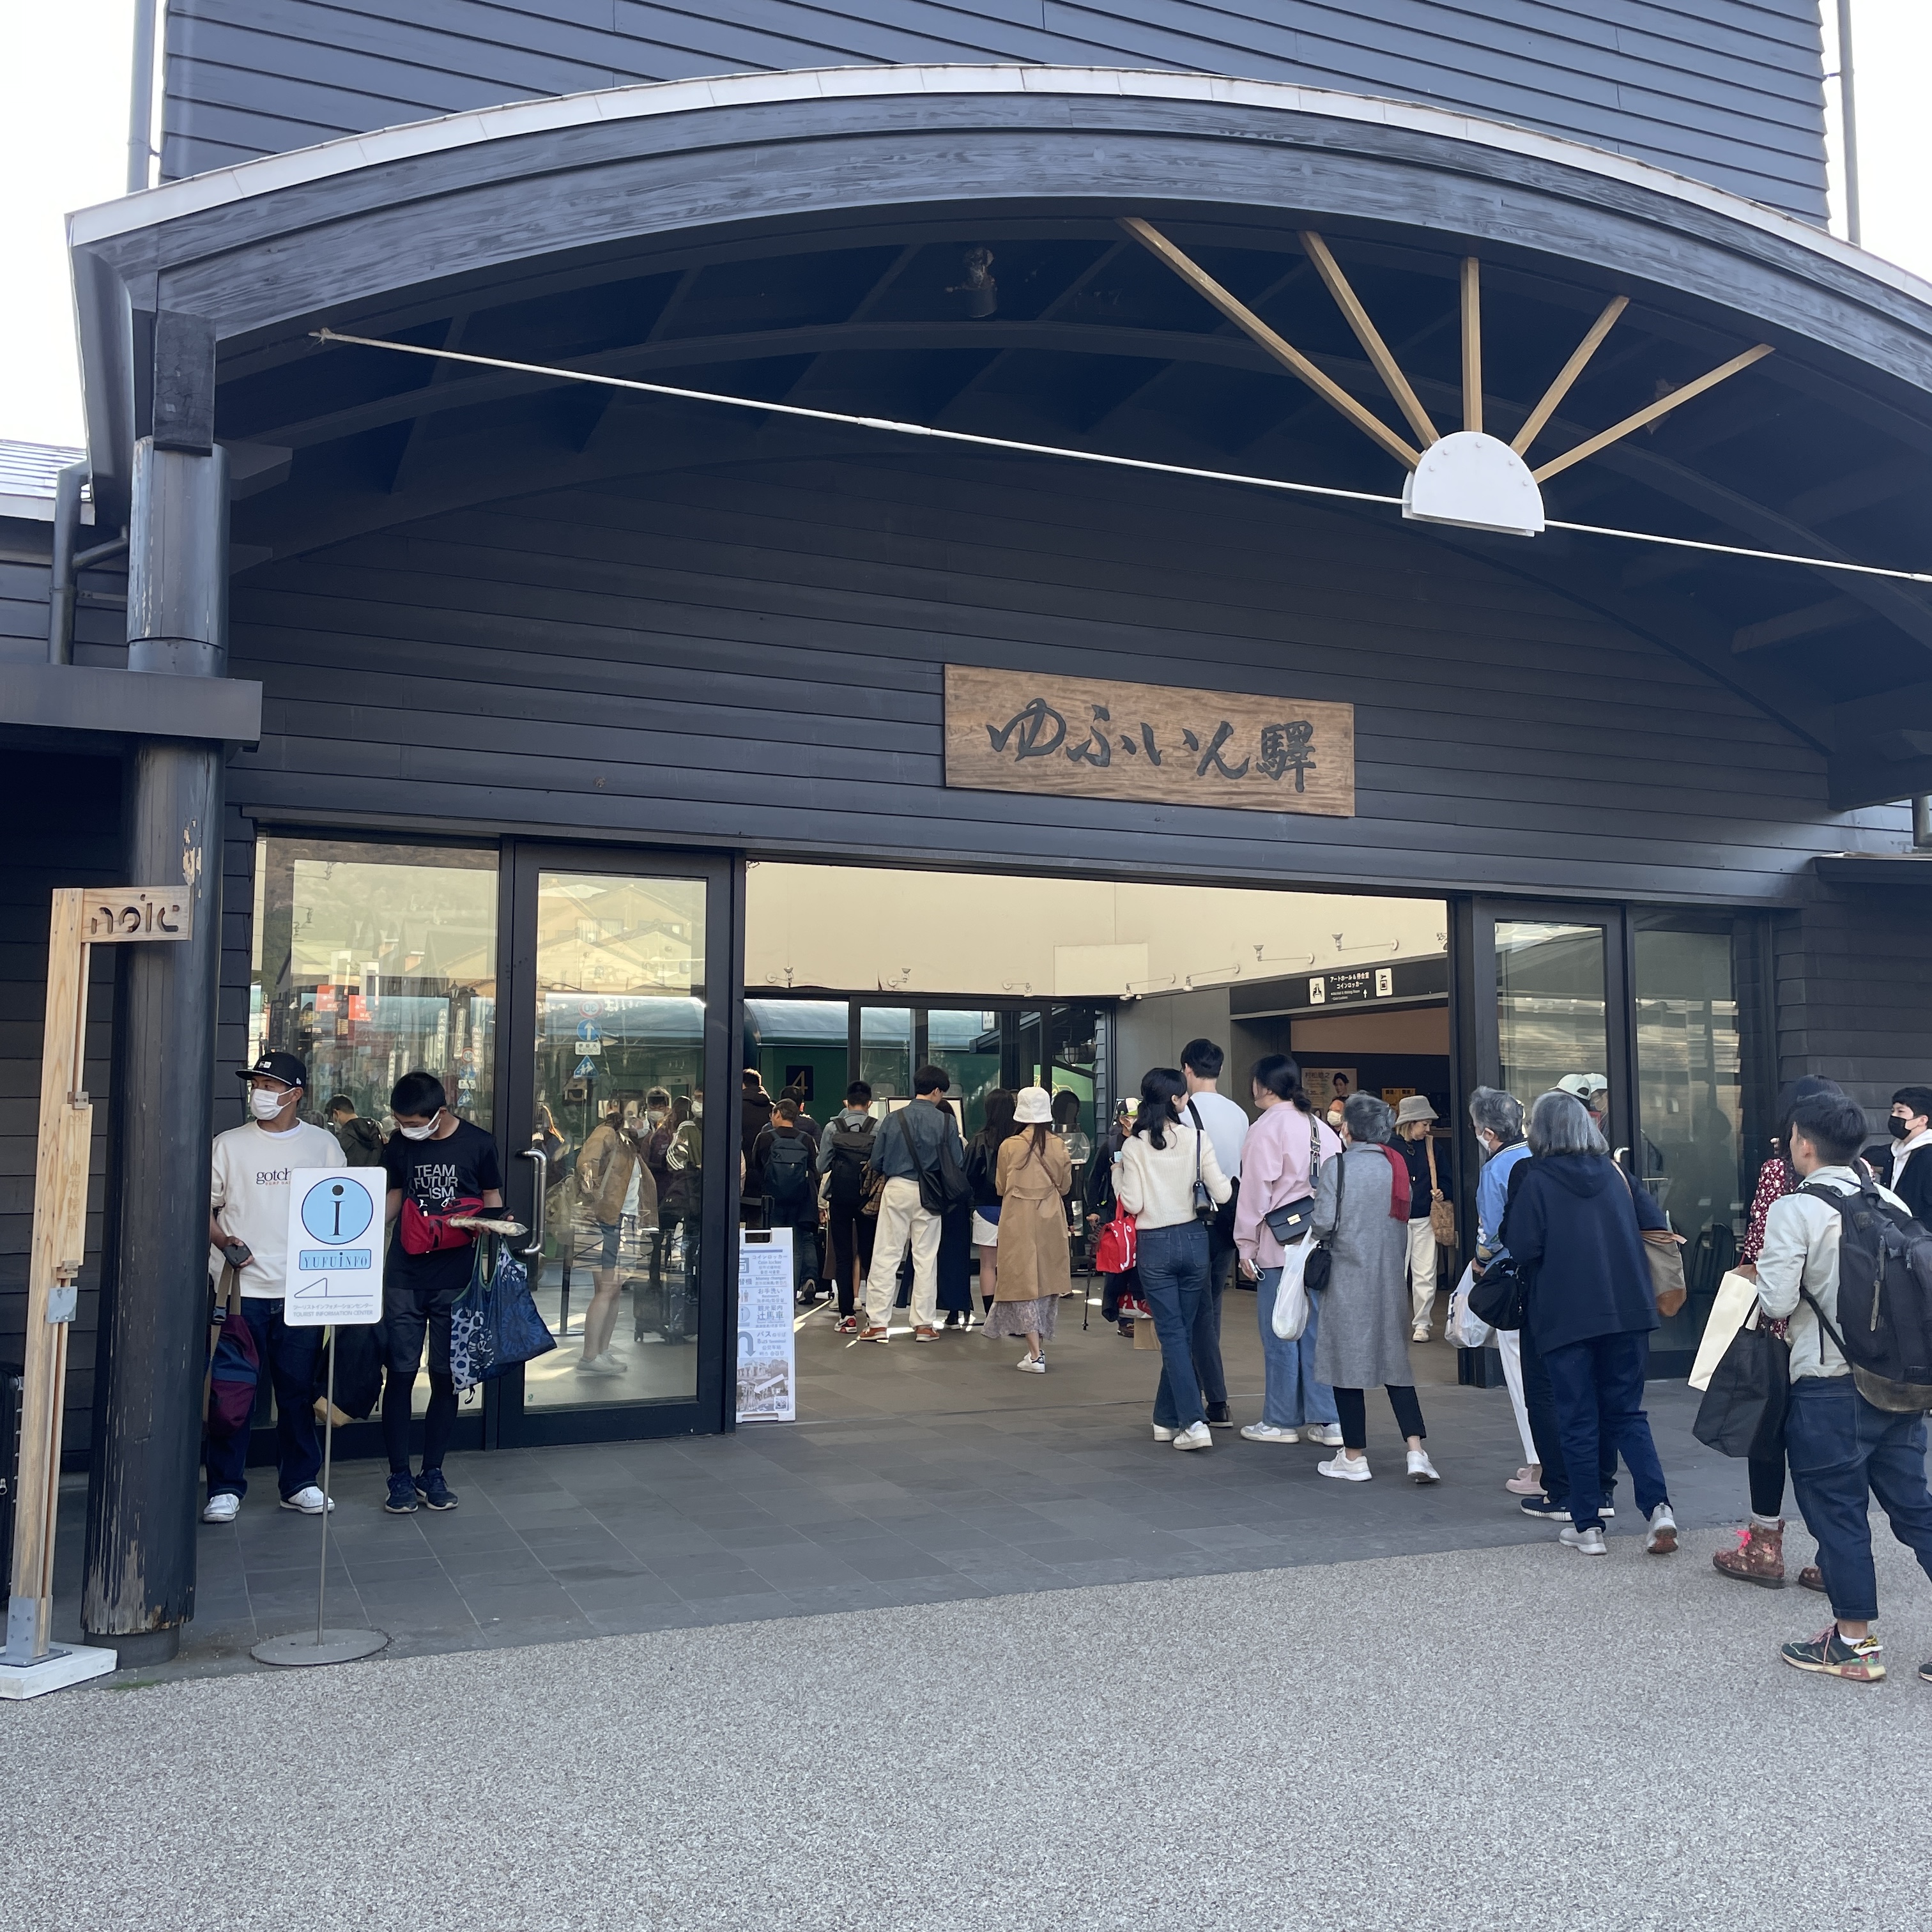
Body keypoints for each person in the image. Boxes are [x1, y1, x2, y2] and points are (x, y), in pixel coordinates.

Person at [1756, 1090, 1932, 1683]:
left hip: (1830, 1384)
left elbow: (1777, 1301)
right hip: (1897, 1384)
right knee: (1915, 1509)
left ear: (1804, 1144)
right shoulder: (1887, 1199)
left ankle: (1854, 1645)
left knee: (1838, 1513)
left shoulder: (1796, 1209)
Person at [1499, 1090, 1676, 1558]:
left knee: (1576, 1417)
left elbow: (1523, 1247)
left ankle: (1588, 1526)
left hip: (1565, 1314)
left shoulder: (1536, 1178)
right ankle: (1659, 1507)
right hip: (1628, 1309)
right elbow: (1654, 1226)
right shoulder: (1617, 1174)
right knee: (1627, 1414)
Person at [202, 1050, 347, 1523]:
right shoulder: (229, 1145)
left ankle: (300, 1482)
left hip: (304, 1291)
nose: (259, 1093)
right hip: (239, 1292)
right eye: (256, 1085)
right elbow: (203, 1208)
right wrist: (223, 1240)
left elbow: (344, 1211)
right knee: (232, 1393)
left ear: (295, 1093)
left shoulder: (323, 1146)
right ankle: (224, 1487)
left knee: (297, 1393)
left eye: (269, 1086)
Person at [1717, 1076, 1844, 1590]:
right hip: (1841, 1329)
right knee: (1830, 1444)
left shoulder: (1778, 1171)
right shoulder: (1859, 1174)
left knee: (1766, 1433)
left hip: (1781, 1326)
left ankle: (1764, 1548)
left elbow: (1759, 1247)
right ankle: (1836, 1556)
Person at [380, 1069, 503, 1514]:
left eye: (413, 1123)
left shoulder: (479, 1143)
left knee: (446, 1376)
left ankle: (432, 1471)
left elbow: (492, 1197)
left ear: (439, 1113)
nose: (406, 1129)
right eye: (400, 1122)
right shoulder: (399, 1145)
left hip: (456, 1276)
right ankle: (398, 1475)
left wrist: (493, 1229)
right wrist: (362, 1233)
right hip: (404, 1275)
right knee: (400, 1373)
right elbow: (394, 1196)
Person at [1307, 1093, 1440, 1483]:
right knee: (1396, 1364)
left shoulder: (1338, 1167)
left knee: (1346, 1365)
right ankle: (1416, 1452)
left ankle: (1354, 1456)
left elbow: (1324, 1223)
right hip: (1389, 1279)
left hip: (1348, 1278)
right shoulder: (1396, 1165)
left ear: (1349, 1128)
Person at [1116, 1068, 1230, 1452]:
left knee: (1173, 1334)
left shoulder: (1134, 1147)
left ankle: (1193, 1423)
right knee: (1182, 1331)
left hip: (1155, 1245)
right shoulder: (1197, 1139)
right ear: (1177, 1100)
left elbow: (1134, 1203)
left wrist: (1117, 1176)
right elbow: (1222, 1194)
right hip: (1195, 1241)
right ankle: (1166, 1419)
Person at [1234, 1054, 1343, 1446]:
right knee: (1317, 1334)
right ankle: (1329, 1419)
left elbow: (1255, 1192)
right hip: (1321, 1246)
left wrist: (1246, 1245)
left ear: (1262, 1085)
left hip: (1280, 1247)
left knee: (1280, 1330)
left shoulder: (1265, 1128)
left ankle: (1280, 1420)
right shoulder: (1321, 1128)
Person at [1467, 1087, 1541, 1496]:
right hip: (1549, 1277)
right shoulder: (1539, 1155)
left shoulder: (1496, 1168)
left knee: (1520, 1374)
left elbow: (1491, 1232)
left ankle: (1539, 1463)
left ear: (1489, 1133)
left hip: (1512, 1279)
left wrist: (1480, 1261)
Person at [858, 1066, 965, 1344]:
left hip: (897, 1188)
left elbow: (877, 1160)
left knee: (886, 1255)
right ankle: (924, 1325)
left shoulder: (893, 1119)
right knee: (926, 1258)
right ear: (937, 1091)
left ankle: (878, 1324)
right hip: (931, 1193)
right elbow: (957, 1160)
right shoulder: (946, 1122)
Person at [1180, 1038, 1248, 1427]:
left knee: (1194, 1311)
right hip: (1227, 1222)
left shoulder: (1183, 1112)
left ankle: (1211, 1399)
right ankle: (1209, 1396)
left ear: (1187, 1069)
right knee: (1212, 1307)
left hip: (1192, 1219)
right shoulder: (1239, 1114)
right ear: (1219, 1070)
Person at [988, 1086, 1072, 1369]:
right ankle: (1039, 1349)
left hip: (1017, 1217)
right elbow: (1065, 1185)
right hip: (1050, 1217)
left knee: (1021, 1280)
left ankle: (1035, 1353)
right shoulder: (1058, 1145)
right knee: (1047, 1280)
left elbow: (1000, 1186)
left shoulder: (1009, 1146)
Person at [570, 1097, 648, 1375]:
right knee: (606, 1289)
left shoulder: (629, 1144)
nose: (639, 1120)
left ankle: (602, 1351)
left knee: (613, 1290)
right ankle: (590, 1355)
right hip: (606, 1221)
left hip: (625, 1221)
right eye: (634, 1114)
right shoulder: (607, 1134)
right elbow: (585, 1163)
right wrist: (593, 1195)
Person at [818, 1080, 878, 1335]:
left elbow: (821, 1165)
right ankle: (875, 1316)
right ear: (869, 1103)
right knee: (871, 1256)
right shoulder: (878, 1127)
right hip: (868, 1199)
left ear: (847, 1102)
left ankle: (847, 1316)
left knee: (843, 1256)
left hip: (840, 1198)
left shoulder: (833, 1128)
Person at [752, 1098, 822, 1301]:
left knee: (773, 1245)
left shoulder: (765, 1138)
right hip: (799, 1200)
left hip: (771, 1201)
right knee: (796, 1248)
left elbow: (756, 1165)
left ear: (778, 1114)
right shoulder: (806, 1140)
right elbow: (815, 1170)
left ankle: (775, 1291)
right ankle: (791, 1294)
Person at [1085, 1101, 1142, 1337]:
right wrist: (1093, 1209)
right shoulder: (1110, 1145)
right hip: (1116, 1213)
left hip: (1142, 1213)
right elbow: (1095, 1178)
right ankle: (1123, 1317)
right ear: (1122, 1119)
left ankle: (1139, 1311)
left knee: (1139, 1264)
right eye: (1131, 1116)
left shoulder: (1145, 1142)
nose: (1134, 1120)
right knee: (1119, 1263)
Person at [1393, 1095, 1445, 1342]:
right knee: (1396, 1274)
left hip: (1425, 1218)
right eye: (1424, 1124)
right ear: (1410, 1122)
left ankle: (1422, 1324)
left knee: (1425, 1274)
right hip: (1396, 1220)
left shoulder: (1433, 1147)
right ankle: (1395, 1323)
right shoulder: (1389, 1147)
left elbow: (1447, 1178)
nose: (1428, 1129)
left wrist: (1443, 1191)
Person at [965, 1087, 1019, 1320]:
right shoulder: (1020, 1141)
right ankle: (1015, 1312)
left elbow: (968, 1175)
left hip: (986, 1207)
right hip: (1016, 1207)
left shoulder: (979, 1140)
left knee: (987, 1264)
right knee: (1014, 1264)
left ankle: (991, 1316)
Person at [1882, 1085, 1932, 1225]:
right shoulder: (1895, 1153)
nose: (1894, 1116)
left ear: (1922, 1120)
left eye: (1901, 1111)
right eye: (1893, 1111)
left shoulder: (1928, 1156)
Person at [740, 1070, 774, 1221]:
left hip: (741, 1177)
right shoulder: (773, 1110)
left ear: (742, 1085)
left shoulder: (735, 1108)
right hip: (767, 1178)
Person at [325, 1092, 385, 1166]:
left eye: (331, 1122)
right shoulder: (377, 1130)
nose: (333, 1126)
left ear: (336, 1114)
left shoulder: (341, 1139)